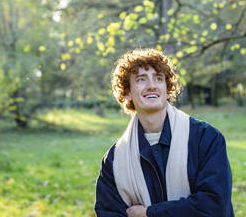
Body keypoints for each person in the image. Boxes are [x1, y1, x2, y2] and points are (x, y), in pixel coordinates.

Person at [95, 48, 234, 217]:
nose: (151, 85)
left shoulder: (206, 139)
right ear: (128, 93)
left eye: (158, 78)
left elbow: (214, 206)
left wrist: (149, 213)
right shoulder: (114, 160)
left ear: (167, 90)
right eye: (141, 79)